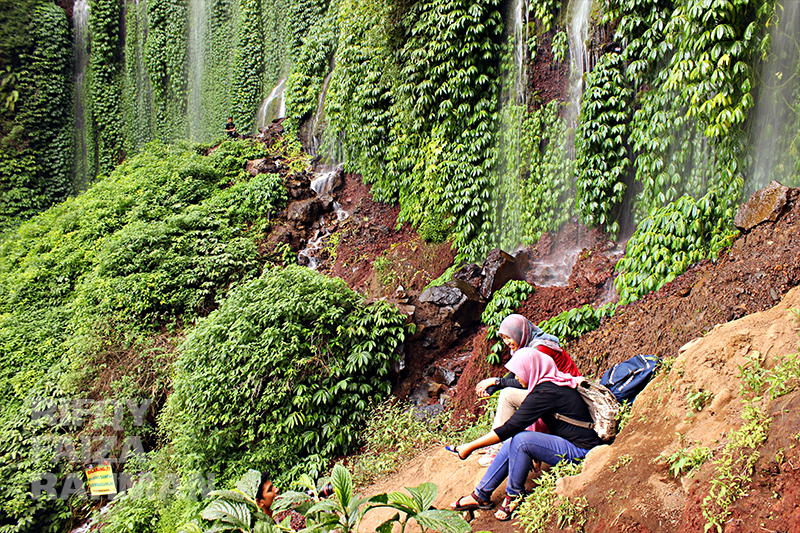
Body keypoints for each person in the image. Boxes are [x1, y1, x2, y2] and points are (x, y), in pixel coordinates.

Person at [448, 348, 602, 521]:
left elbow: (510, 427)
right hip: (568, 441)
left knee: (520, 440)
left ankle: (515, 495)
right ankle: (480, 495)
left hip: (582, 450)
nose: (516, 378)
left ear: (531, 370)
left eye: (519, 373)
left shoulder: (545, 392)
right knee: (513, 442)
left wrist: (469, 447)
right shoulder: (551, 383)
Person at [474, 314, 581, 466]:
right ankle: (494, 442)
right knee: (506, 393)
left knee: (507, 395)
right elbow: (517, 374)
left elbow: (524, 383)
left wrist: (497, 382)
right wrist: (494, 386)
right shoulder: (528, 345)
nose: (507, 342)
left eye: (509, 337)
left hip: (564, 396)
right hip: (551, 392)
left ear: (520, 333)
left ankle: (497, 447)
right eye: (504, 338)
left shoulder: (539, 348)